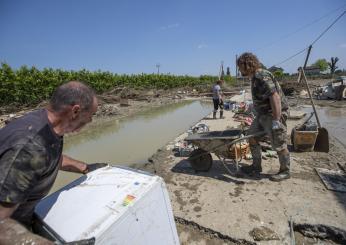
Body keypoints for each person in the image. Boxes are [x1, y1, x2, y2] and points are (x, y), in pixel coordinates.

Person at [0, 81, 107, 244]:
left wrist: (84, 167)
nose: (90, 121)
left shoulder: (45, 125)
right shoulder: (28, 146)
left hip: (24, 218)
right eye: (91, 115)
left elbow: (45, 158)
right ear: (75, 111)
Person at [237, 53, 290, 181]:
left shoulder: (262, 75)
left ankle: (285, 171)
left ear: (247, 64)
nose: (239, 70)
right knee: (252, 137)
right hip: (263, 115)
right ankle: (256, 166)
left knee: (279, 143)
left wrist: (276, 120)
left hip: (273, 115)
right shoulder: (255, 77)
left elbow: (274, 97)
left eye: (240, 67)